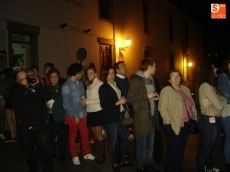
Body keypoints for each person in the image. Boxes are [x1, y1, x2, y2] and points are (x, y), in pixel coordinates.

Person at [9, 70, 54, 172]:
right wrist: (22, 86)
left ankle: (48, 169)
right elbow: (12, 102)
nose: (25, 80)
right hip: (24, 126)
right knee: (28, 150)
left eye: (26, 77)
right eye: (22, 79)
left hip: (40, 124)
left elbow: (48, 97)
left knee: (44, 150)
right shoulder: (15, 89)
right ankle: (33, 168)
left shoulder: (36, 87)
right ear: (17, 81)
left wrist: (38, 85)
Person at [158, 69, 197, 172]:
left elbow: (191, 104)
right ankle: (170, 169)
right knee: (173, 148)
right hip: (173, 124)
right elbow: (162, 108)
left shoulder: (185, 89)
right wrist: (168, 122)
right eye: (173, 76)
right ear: (169, 80)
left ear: (181, 78)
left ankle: (178, 168)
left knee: (181, 147)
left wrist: (194, 117)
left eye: (178, 76)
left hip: (186, 123)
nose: (176, 78)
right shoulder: (166, 90)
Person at [127, 58, 159, 172]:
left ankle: (147, 164)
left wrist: (155, 96)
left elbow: (149, 96)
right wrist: (147, 95)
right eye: (154, 66)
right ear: (149, 67)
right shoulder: (136, 80)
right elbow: (130, 98)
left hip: (152, 116)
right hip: (141, 117)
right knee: (142, 144)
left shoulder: (151, 79)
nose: (156, 68)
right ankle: (140, 166)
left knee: (150, 144)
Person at [99, 67, 133, 172]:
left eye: (113, 73)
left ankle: (123, 160)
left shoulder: (116, 84)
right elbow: (104, 104)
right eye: (109, 74)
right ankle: (114, 162)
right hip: (110, 117)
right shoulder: (103, 87)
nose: (112, 75)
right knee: (113, 141)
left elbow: (117, 98)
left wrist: (122, 99)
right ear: (105, 75)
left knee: (124, 138)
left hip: (119, 115)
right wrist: (117, 102)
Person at [196, 61, 227, 172]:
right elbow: (221, 104)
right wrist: (220, 102)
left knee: (212, 150)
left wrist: (220, 102)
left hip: (215, 120)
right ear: (208, 70)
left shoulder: (211, 86)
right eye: (213, 67)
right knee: (205, 150)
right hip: (209, 121)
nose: (216, 69)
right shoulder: (205, 86)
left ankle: (209, 168)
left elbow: (223, 100)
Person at [62, 63, 95, 165]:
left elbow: (83, 96)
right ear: (76, 72)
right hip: (73, 115)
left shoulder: (80, 83)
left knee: (84, 134)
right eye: (81, 72)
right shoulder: (66, 86)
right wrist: (74, 115)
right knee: (72, 136)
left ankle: (86, 153)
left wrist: (85, 104)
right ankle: (74, 156)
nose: (82, 74)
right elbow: (66, 103)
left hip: (83, 113)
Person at [80, 63, 105, 164]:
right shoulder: (88, 84)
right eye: (87, 73)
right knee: (94, 134)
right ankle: (98, 154)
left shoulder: (100, 84)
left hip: (98, 111)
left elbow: (101, 99)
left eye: (91, 73)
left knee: (99, 134)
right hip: (90, 111)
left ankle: (102, 156)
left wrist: (88, 102)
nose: (89, 75)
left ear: (95, 74)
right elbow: (90, 98)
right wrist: (85, 101)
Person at [46, 68, 67, 161]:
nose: (54, 79)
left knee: (61, 136)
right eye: (52, 77)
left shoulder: (62, 88)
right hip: (49, 115)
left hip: (59, 115)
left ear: (58, 77)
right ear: (49, 78)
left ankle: (63, 153)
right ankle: (52, 152)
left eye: (56, 76)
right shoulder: (46, 89)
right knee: (50, 135)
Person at [217, 59, 230, 171]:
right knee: (229, 137)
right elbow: (226, 95)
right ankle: (228, 163)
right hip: (227, 110)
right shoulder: (222, 76)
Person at [0, 68, 17, 142]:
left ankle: (13, 136)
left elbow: (2, 91)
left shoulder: (4, 81)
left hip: (8, 101)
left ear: (3, 75)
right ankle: (16, 134)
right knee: (15, 119)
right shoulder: (13, 80)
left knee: (9, 120)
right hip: (15, 101)